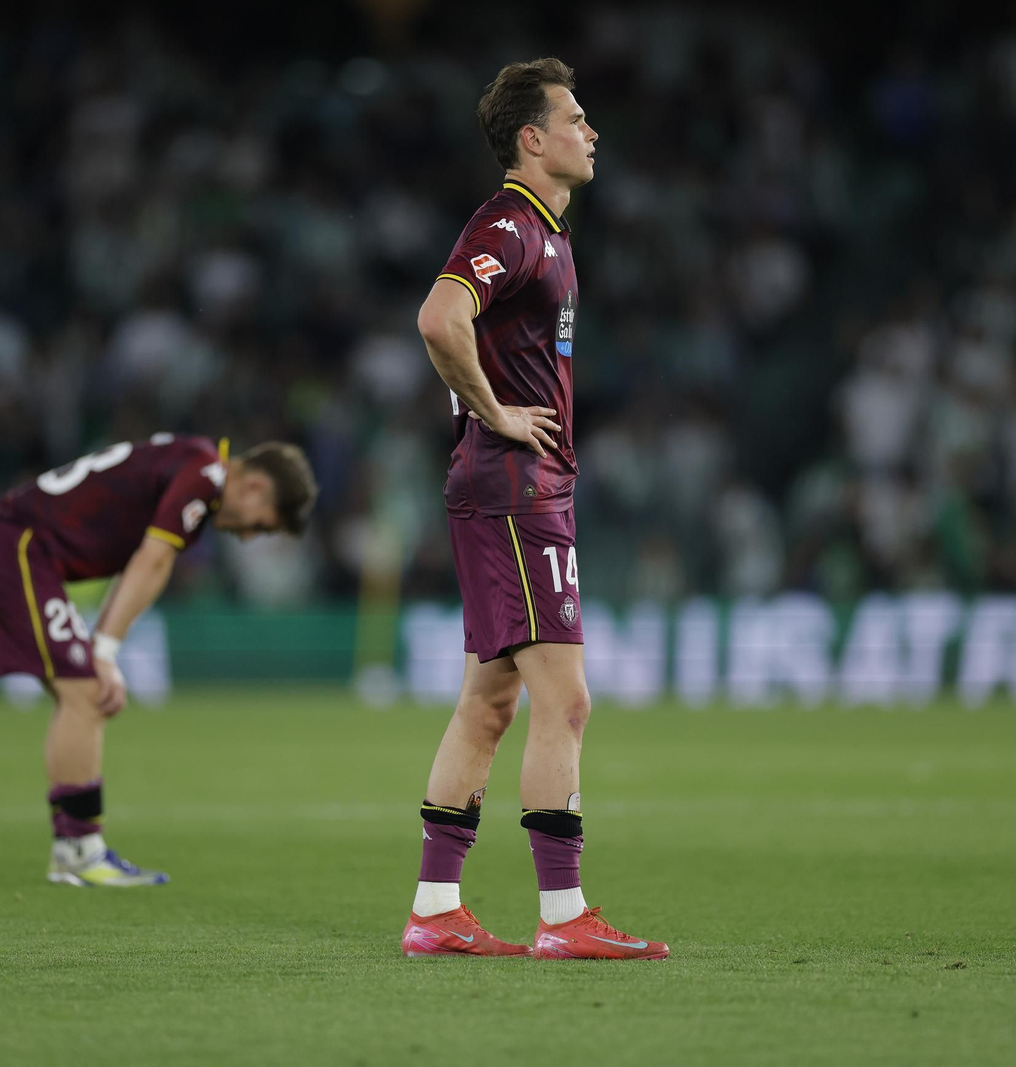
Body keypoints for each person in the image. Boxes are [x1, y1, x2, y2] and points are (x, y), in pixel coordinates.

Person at [403, 58, 669, 960]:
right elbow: (439, 318)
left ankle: (435, 909)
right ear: (532, 138)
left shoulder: (544, 232)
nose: (591, 132)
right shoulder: (511, 225)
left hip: (510, 487)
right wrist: (497, 412)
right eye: (575, 118)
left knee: (490, 699)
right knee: (568, 699)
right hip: (515, 488)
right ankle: (563, 915)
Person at [0, 435, 317, 886]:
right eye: (260, 526)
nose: (248, 537)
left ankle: (74, 848)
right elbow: (153, 561)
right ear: (255, 487)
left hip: (9, 544)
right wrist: (104, 651)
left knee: (82, 697)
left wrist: (102, 647)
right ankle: (79, 851)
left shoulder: (193, 465)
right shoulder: (205, 473)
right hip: (14, 546)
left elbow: (145, 565)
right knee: (87, 694)